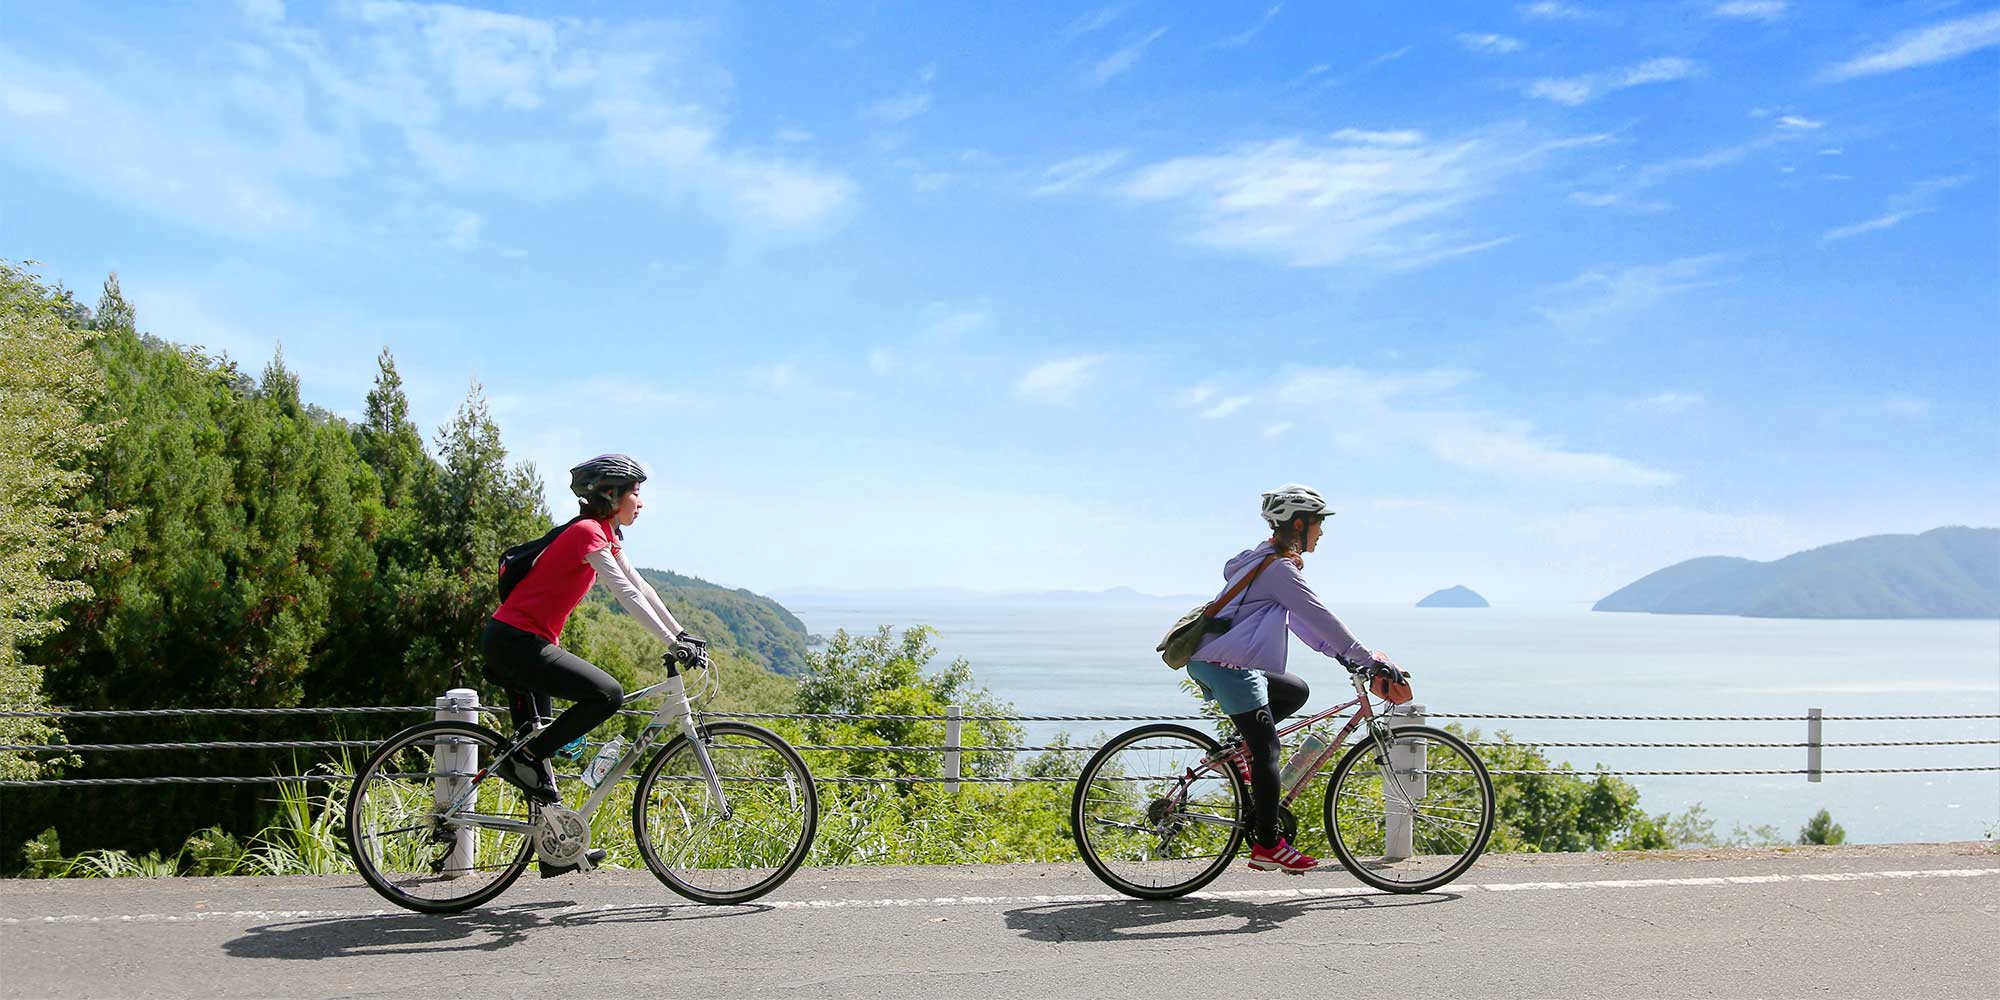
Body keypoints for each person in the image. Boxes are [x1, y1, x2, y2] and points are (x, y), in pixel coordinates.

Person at [480, 453, 704, 877]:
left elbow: (642, 586)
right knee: (607, 694)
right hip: (516, 644)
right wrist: (671, 643)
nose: (641, 502)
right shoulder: (586, 533)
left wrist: (682, 634)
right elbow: (626, 595)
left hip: (521, 642)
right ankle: (523, 757)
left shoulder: (601, 532)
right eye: (635, 493)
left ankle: (554, 848)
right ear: (610, 494)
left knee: (541, 754)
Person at [1184, 484, 1394, 874]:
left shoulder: (1265, 561)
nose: (1322, 532)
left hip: (1218, 659)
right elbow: (1319, 615)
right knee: (1269, 752)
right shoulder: (1278, 569)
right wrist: (1366, 659)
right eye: (1318, 523)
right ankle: (1267, 844)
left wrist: (1343, 657)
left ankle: (1234, 753)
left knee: (1294, 690)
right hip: (1227, 665)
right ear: (1299, 523)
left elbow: (1303, 624)